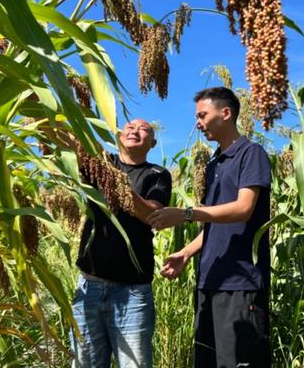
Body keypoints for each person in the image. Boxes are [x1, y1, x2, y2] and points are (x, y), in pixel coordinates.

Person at [147, 87, 271, 368]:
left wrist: (186, 213)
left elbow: (243, 209)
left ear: (226, 113)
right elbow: (216, 225)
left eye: (202, 115)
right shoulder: (215, 163)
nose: (198, 123)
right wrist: (186, 253)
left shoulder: (250, 154)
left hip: (240, 284)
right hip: (208, 282)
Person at [69, 119, 172, 368]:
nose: (134, 130)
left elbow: (152, 215)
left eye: (143, 129)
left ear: (153, 143)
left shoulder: (157, 175)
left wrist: (116, 183)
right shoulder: (102, 163)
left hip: (133, 293)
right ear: (118, 136)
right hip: (88, 289)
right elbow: (69, 143)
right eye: (129, 126)